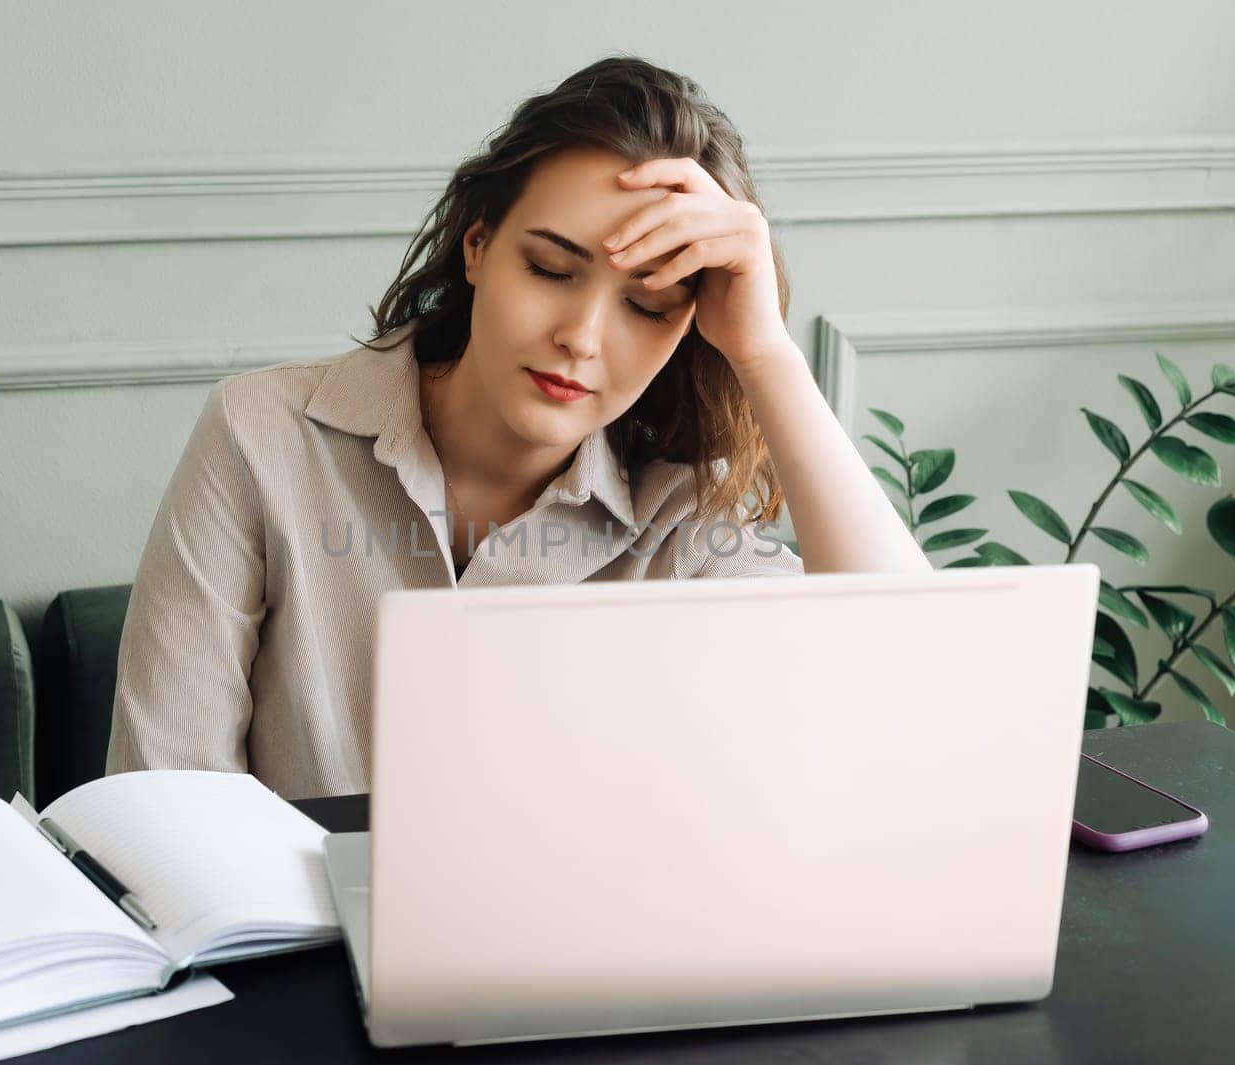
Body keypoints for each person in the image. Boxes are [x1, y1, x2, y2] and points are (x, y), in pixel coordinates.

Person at [105, 55, 931, 799]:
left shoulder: (682, 516)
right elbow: (163, 793)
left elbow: (903, 674)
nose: (581, 336)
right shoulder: (262, 433)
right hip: (294, 959)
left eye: (647, 306)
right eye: (549, 269)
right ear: (477, 246)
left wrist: (765, 351)